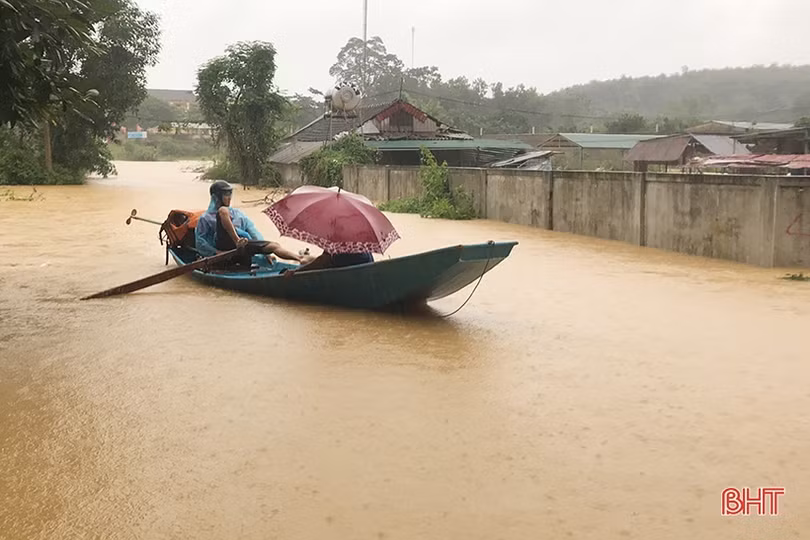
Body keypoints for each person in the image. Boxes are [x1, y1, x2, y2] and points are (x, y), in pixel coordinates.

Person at [196, 180, 313, 268]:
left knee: (274, 246)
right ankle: (237, 241)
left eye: (230, 194)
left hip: (243, 247)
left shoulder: (237, 213)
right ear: (216, 197)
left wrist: (265, 253)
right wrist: (217, 253)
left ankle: (300, 258)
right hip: (224, 250)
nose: (229, 197)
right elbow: (201, 242)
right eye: (225, 194)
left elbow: (253, 231)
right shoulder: (206, 218)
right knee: (223, 211)